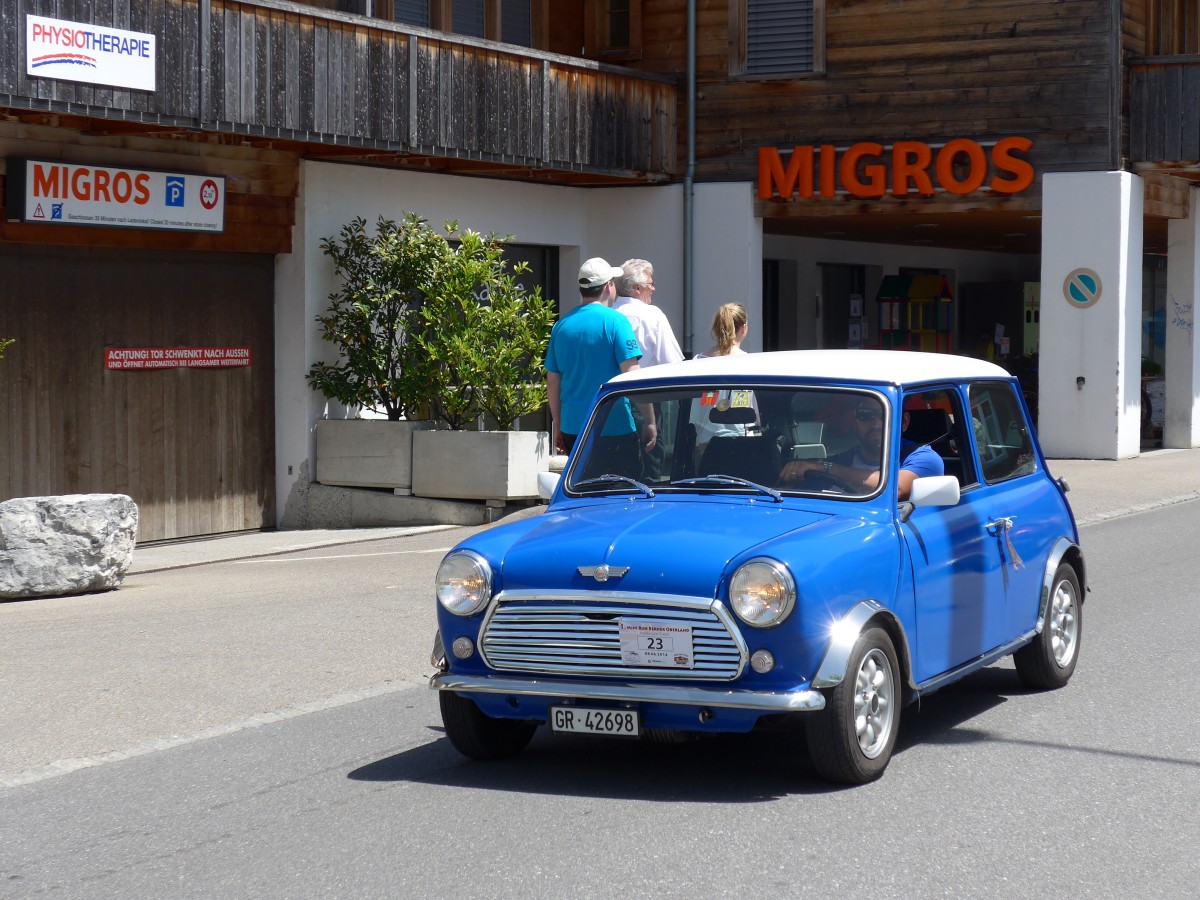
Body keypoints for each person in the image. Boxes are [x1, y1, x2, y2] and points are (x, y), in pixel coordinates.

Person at [545, 257, 655, 465]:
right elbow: (632, 375)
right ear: (608, 286)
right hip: (614, 426)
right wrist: (649, 420)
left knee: (583, 492)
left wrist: (558, 426)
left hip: (573, 427)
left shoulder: (561, 326)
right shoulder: (615, 321)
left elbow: (553, 381)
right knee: (620, 491)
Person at [778, 398, 943, 499]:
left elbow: (896, 489)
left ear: (904, 422)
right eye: (866, 414)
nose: (877, 424)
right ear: (855, 420)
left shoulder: (924, 458)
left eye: (885, 415)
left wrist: (824, 467)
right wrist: (792, 479)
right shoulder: (843, 461)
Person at [614, 260, 683, 479]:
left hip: (609, 404)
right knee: (649, 476)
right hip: (647, 403)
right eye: (650, 284)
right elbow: (673, 364)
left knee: (616, 474)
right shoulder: (652, 315)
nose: (653, 288)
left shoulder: (609, 314)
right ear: (636, 288)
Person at [691, 304, 757, 462]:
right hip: (743, 443)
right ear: (744, 328)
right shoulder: (750, 364)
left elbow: (693, 413)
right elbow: (756, 414)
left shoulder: (698, 362)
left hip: (705, 445)